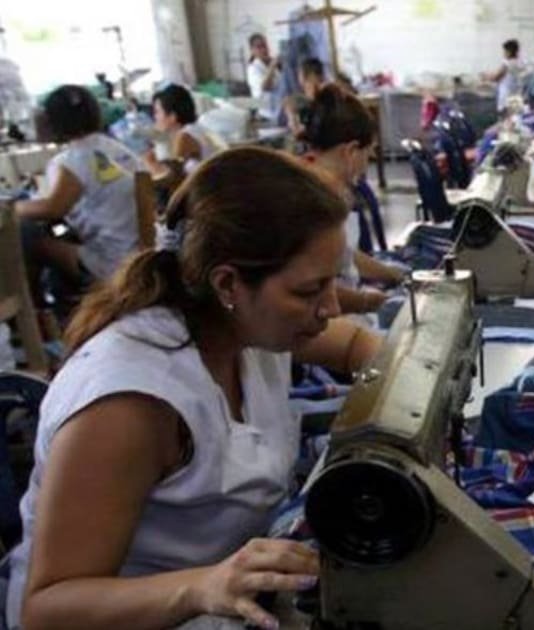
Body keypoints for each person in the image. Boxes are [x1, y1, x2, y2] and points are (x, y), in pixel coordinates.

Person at [7, 147, 383, 629]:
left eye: (332, 284)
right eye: (309, 290)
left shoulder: (244, 325)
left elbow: (354, 345)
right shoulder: (129, 404)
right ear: (228, 284)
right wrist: (202, 586)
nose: (330, 307)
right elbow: (46, 610)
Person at [16, 85, 141, 293]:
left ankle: (38, 309)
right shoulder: (116, 149)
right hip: (143, 253)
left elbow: (53, 208)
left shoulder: (75, 158)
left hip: (116, 263)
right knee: (63, 235)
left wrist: (12, 208)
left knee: (30, 238)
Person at [300, 85, 405, 314]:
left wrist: (395, 275)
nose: (370, 160)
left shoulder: (318, 181)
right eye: (369, 153)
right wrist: (367, 301)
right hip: (325, 321)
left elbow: (344, 255)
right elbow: (309, 290)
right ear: (351, 152)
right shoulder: (315, 199)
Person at [145, 84, 226, 176]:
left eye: (157, 112)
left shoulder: (184, 137)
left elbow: (173, 179)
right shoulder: (196, 129)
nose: (155, 117)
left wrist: (150, 163)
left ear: (172, 116)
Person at [245, 33, 282, 121]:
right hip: (267, 114)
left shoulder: (271, 64)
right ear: (252, 50)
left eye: (265, 45)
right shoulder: (253, 68)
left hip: (278, 109)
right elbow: (265, 87)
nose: (264, 49)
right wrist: (272, 66)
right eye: (259, 47)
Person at [484, 39, 523, 113]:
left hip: (506, 95)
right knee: (516, 115)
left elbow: (495, 77)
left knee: (504, 116)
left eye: (504, 51)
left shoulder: (506, 63)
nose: (503, 53)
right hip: (516, 94)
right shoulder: (519, 62)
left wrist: (486, 76)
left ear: (509, 52)